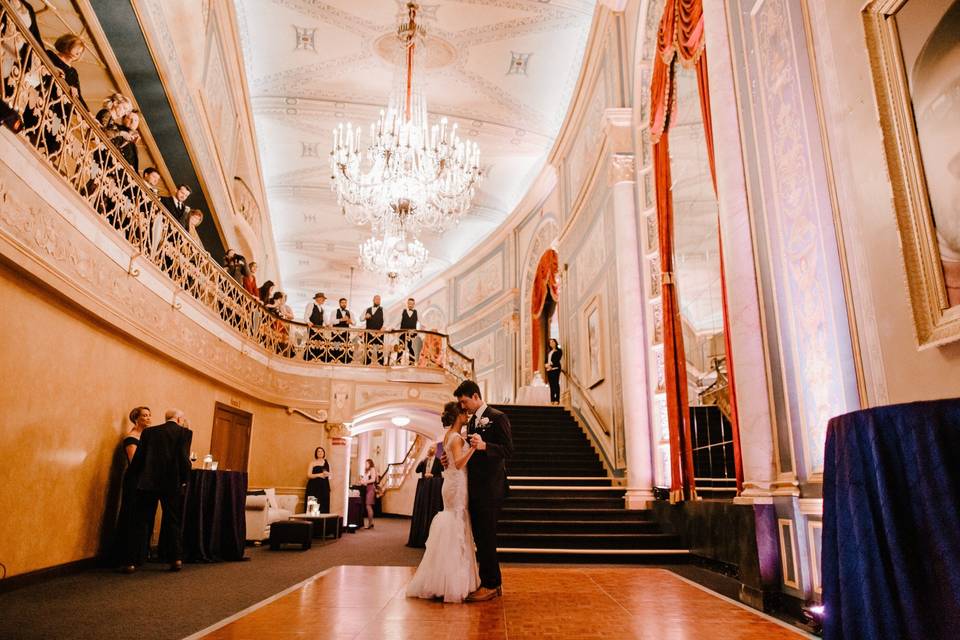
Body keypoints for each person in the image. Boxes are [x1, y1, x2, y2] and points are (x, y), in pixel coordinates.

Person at [406, 402, 479, 602]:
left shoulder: (449, 436)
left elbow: (449, 460)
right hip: (456, 484)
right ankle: (452, 581)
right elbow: (459, 462)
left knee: (454, 521)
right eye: (464, 414)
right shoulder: (455, 438)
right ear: (457, 416)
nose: (467, 416)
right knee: (456, 522)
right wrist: (472, 448)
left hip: (451, 483)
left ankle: (443, 577)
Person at [448, 379, 513, 602]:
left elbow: (508, 450)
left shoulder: (497, 417)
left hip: (491, 488)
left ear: (475, 396)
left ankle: (491, 584)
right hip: (475, 487)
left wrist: (486, 446)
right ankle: (492, 581)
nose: (463, 406)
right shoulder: (473, 421)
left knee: (487, 537)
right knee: (481, 537)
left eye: (464, 401)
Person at [123, 408, 192, 573]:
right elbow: (184, 459)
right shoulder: (184, 433)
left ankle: (131, 561)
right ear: (179, 419)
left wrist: (135, 479)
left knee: (141, 521)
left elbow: (139, 458)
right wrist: (185, 479)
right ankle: (176, 559)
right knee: (172, 520)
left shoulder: (150, 432)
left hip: (149, 482)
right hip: (171, 483)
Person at [111, 406, 151, 567]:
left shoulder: (146, 437)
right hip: (134, 480)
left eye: (149, 415)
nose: (149, 418)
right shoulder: (131, 438)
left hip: (145, 480)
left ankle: (139, 555)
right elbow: (134, 461)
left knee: (142, 518)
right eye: (145, 416)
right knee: (131, 516)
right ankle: (126, 557)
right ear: (136, 419)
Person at [305, 446, 331, 513]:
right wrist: (319, 475)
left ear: (324, 453)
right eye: (318, 451)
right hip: (313, 487)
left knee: (323, 507)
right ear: (316, 453)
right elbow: (308, 475)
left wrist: (327, 474)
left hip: (324, 487)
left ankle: (322, 523)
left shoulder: (327, 463)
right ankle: (312, 522)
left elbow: (330, 475)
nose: (320, 452)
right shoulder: (312, 463)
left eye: (321, 451)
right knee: (313, 509)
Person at [303, 292, 327, 362]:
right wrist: (308, 321)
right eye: (323, 299)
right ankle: (308, 358)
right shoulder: (311, 305)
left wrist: (328, 324)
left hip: (319, 328)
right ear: (318, 299)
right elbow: (306, 315)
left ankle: (316, 357)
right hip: (312, 327)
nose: (324, 300)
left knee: (319, 342)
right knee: (311, 342)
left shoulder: (322, 309)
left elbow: (325, 319)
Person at [363, 294, 384, 365]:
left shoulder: (383, 310)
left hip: (379, 333)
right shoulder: (367, 309)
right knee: (368, 348)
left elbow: (387, 320)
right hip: (368, 332)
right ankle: (366, 363)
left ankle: (380, 364)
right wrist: (365, 317)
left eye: (379, 299)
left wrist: (383, 328)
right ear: (373, 300)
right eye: (376, 299)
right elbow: (360, 318)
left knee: (380, 349)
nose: (378, 301)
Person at [398, 297, 418, 365]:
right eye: (409, 303)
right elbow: (397, 321)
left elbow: (423, 322)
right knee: (401, 346)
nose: (410, 305)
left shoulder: (416, 312)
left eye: (412, 304)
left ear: (414, 304)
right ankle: (398, 361)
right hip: (403, 332)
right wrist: (391, 327)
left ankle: (411, 362)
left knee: (412, 347)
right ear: (407, 304)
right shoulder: (403, 311)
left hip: (412, 334)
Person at [331, 297, 352, 362]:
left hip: (345, 333)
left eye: (345, 303)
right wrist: (341, 319)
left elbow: (355, 322)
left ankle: (344, 361)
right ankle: (335, 360)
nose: (344, 304)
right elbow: (332, 321)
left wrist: (350, 321)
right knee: (336, 346)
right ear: (339, 303)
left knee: (345, 346)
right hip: (336, 333)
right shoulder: (334, 311)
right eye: (342, 303)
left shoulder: (349, 312)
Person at [360, 458, 378, 529]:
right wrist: (362, 481)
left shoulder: (372, 469)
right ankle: (371, 523)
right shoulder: (367, 471)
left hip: (371, 488)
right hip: (367, 488)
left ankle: (370, 523)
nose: (365, 465)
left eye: (367, 463)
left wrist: (364, 482)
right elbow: (366, 479)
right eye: (365, 463)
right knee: (368, 506)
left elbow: (373, 479)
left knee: (368, 506)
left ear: (370, 464)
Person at [545, 338, 563, 404]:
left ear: (555, 342)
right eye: (550, 342)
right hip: (549, 370)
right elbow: (546, 360)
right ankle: (552, 400)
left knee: (556, 384)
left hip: (555, 369)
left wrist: (551, 366)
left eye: (553, 342)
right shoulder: (549, 352)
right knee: (551, 385)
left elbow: (557, 360)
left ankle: (557, 400)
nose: (551, 343)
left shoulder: (559, 351)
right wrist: (546, 364)